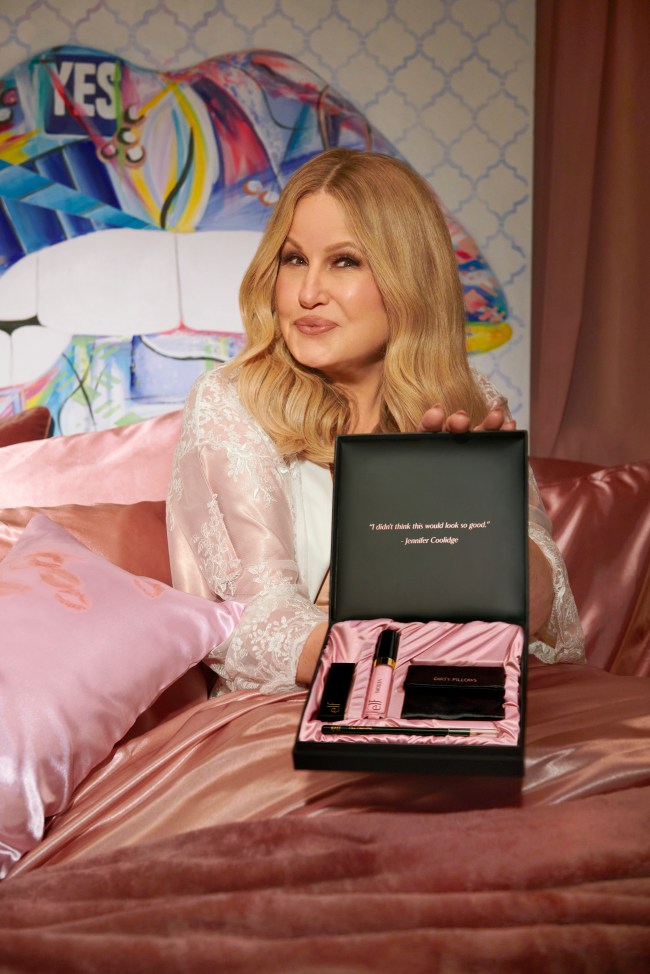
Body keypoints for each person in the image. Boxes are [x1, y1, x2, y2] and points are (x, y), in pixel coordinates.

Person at [167, 149, 584, 695]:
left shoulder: (470, 401)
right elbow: (253, 618)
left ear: (409, 276)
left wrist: (487, 525)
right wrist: (403, 660)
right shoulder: (231, 402)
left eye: (345, 261)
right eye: (294, 259)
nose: (308, 293)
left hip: (460, 688)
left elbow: (544, 617)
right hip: (298, 699)